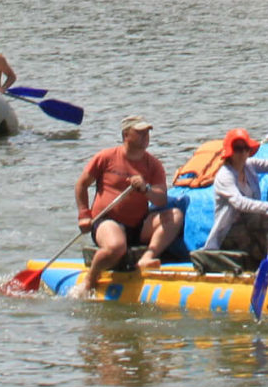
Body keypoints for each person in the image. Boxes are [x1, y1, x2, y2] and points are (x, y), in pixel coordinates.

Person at [72, 118, 184, 296]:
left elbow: (161, 200)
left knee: (175, 215)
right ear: (126, 135)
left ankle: (147, 257)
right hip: (107, 221)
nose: (145, 136)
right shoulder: (106, 157)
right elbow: (81, 185)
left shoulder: (153, 164)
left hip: (138, 225)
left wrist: (145, 189)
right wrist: (84, 215)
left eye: (147, 132)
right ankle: (89, 281)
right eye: (140, 133)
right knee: (116, 246)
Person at [202, 129, 268, 260]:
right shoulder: (225, 176)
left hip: (251, 226)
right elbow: (240, 203)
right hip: (231, 232)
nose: (242, 153)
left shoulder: (249, 166)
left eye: (245, 148)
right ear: (230, 152)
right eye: (237, 149)